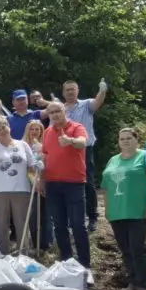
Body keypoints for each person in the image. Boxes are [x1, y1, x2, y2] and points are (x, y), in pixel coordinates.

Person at [41, 101, 93, 278]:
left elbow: (82, 143)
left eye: (58, 111)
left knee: (78, 225)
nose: (55, 115)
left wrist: (70, 140)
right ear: (48, 115)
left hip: (74, 183)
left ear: (65, 111)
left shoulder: (76, 127)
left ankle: (85, 265)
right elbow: (45, 155)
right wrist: (41, 178)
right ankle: (66, 261)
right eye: (52, 112)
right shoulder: (47, 132)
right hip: (52, 183)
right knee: (59, 225)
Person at [102, 127, 146, 290]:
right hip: (117, 212)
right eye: (122, 138)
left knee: (137, 247)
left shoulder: (145, 156)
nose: (125, 141)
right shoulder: (113, 160)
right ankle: (132, 282)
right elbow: (106, 188)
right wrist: (107, 209)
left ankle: (142, 285)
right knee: (125, 249)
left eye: (129, 138)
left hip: (137, 210)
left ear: (136, 140)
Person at [0, 115, 38, 254]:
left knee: (21, 223)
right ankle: (3, 253)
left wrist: (36, 176)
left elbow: (32, 167)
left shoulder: (23, 144)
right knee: (2, 224)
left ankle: (23, 253)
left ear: (9, 126)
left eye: (4, 126)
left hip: (21, 189)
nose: (2, 130)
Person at [62, 79, 109, 232]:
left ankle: (93, 217)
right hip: (66, 150)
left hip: (84, 149)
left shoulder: (86, 104)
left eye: (73, 89)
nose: (70, 92)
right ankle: (72, 217)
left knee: (88, 182)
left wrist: (102, 90)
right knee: (69, 184)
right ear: (63, 92)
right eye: (67, 90)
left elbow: (97, 102)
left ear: (77, 90)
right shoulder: (61, 110)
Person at [23, 119, 50, 251]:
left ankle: (45, 244)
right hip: (26, 185)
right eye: (32, 129)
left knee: (43, 215)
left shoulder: (44, 146)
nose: (34, 132)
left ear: (41, 132)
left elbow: (47, 165)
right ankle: (34, 243)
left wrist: (40, 180)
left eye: (37, 129)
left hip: (41, 184)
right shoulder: (21, 145)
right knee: (32, 217)